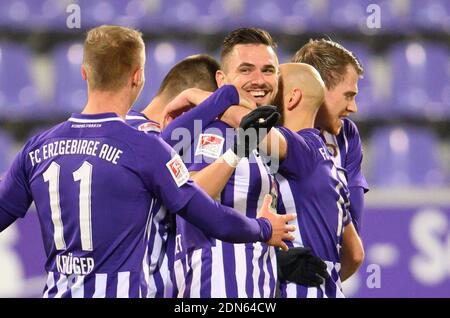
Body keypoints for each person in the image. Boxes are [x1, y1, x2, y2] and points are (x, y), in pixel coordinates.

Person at [0, 25, 296, 298]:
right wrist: (264, 229)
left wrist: (211, 104)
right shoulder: (144, 149)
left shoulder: (37, 147)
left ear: (84, 74)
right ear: (138, 76)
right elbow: (212, 216)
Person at [171, 28, 295, 298]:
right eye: (246, 70)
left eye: (268, 70)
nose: (259, 80)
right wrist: (235, 153)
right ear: (222, 79)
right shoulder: (215, 132)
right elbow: (190, 195)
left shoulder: (261, 138)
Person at [263, 63, 364, 297]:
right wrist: (324, 282)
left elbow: (250, 131)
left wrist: (210, 100)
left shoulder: (299, 148)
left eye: (270, 91)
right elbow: (355, 253)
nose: (263, 97)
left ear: (291, 98)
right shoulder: (329, 164)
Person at [291, 39, 369, 233]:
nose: (353, 107)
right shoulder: (269, 135)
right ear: (318, 89)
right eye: (348, 95)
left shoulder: (347, 136)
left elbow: (352, 235)